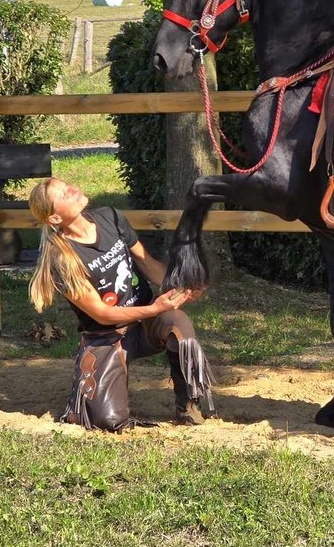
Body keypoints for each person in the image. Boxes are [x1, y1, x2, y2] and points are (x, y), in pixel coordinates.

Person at [28, 177, 215, 431]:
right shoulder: (61, 258)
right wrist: (155, 308)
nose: (72, 189)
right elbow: (102, 313)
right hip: (107, 335)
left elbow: (148, 264)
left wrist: (183, 286)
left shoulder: (110, 217)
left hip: (148, 323)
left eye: (68, 185)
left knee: (179, 327)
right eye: (62, 194)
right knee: (107, 421)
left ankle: (188, 406)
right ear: (55, 219)